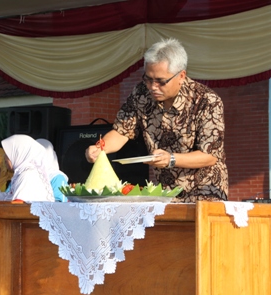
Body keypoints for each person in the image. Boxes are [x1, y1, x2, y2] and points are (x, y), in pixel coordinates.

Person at [86, 38, 228, 203]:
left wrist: (171, 159)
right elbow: (121, 131)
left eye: (161, 81)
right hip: (164, 193)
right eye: (148, 79)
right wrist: (99, 149)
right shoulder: (141, 93)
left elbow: (210, 155)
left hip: (205, 192)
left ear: (181, 76)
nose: (153, 87)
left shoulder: (207, 100)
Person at [0, 134, 54, 202]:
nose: (4, 157)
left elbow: (17, 208)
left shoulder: (27, 176)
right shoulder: (24, 174)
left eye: (8, 153)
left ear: (18, 154)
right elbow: (8, 197)